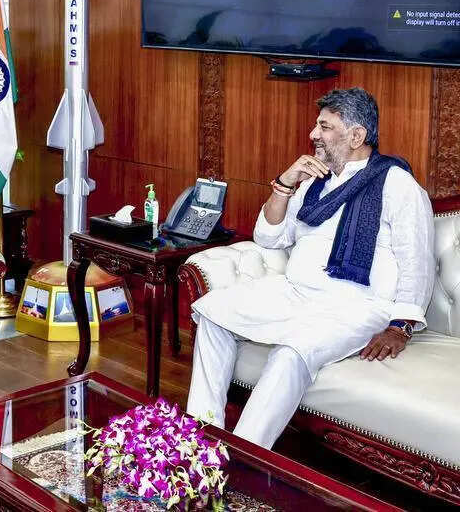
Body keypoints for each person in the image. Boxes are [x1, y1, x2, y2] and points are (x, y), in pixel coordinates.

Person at [186, 87, 435, 450]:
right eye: (317, 125)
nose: (313, 134)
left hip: (357, 306)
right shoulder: (313, 182)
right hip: (295, 292)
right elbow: (269, 237)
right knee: (213, 314)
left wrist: (400, 326)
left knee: (292, 351)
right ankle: (199, 439)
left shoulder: (397, 184)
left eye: (325, 127)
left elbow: (417, 262)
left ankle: (244, 456)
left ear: (357, 136)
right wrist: (286, 184)